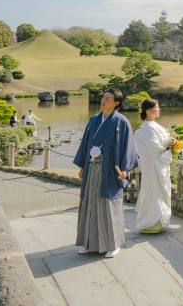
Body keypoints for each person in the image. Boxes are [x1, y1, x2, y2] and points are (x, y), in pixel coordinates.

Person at [73, 89, 138, 258]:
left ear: (116, 102)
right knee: (90, 203)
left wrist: (124, 169)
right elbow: (86, 143)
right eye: (103, 98)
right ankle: (89, 243)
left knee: (108, 205)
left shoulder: (121, 122)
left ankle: (113, 244)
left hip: (109, 169)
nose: (103, 100)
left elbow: (128, 146)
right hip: (91, 167)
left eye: (108, 98)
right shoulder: (94, 120)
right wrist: (82, 165)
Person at [134, 99, 173, 234]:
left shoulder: (154, 126)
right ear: (149, 111)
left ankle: (158, 221)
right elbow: (155, 150)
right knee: (153, 193)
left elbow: (162, 145)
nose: (159, 109)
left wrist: (172, 144)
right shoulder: (146, 129)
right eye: (157, 107)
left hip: (160, 167)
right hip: (153, 167)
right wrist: (170, 147)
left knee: (160, 192)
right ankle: (150, 222)